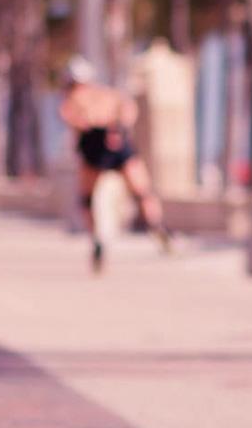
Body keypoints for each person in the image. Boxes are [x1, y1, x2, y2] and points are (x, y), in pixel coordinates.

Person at [58, 56, 173, 271]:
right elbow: (128, 109)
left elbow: (74, 120)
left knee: (87, 200)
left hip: (94, 145)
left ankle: (97, 240)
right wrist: (118, 127)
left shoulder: (72, 100)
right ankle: (157, 226)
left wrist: (94, 125)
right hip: (115, 141)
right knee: (142, 192)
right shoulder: (107, 94)